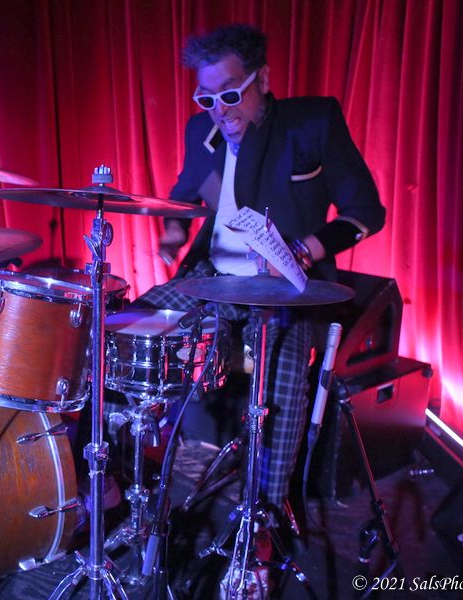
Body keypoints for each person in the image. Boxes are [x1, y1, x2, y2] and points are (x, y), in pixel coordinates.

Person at [135, 24, 386, 526]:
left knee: (284, 378)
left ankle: (265, 515)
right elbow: (184, 195)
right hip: (212, 279)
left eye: (231, 94)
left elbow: (366, 212)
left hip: (283, 291)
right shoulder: (200, 132)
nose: (220, 110)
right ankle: (122, 478)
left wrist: (303, 250)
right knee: (126, 328)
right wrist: (172, 232)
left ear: (263, 80)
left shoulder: (310, 123)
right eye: (207, 98)